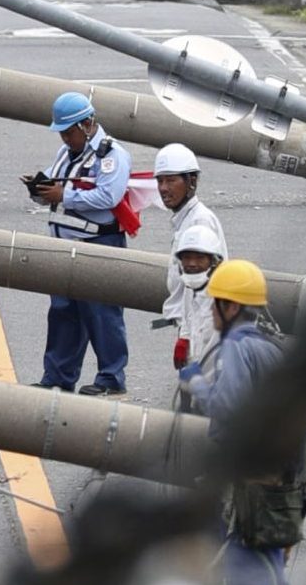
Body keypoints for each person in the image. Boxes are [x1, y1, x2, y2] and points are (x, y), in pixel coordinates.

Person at [180, 260, 301, 585]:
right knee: (272, 577)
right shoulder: (271, 347)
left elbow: (229, 407)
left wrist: (197, 383)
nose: (212, 311)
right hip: (282, 482)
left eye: (215, 302)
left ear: (231, 307)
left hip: (250, 485)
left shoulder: (235, 347)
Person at [28, 91, 133, 396]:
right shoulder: (66, 154)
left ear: (87, 124)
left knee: (102, 313)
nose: (65, 138)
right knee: (63, 312)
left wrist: (64, 196)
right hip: (65, 245)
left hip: (99, 243)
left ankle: (111, 379)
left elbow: (108, 196)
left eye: (69, 132)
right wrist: (38, 187)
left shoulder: (111, 155)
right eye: (61, 133)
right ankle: (58, 377)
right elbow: (54, 179)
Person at [154, 143, 228, 353]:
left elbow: (201, 286)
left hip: (204, 328)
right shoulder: (186, 219)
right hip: (196, 325)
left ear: (191, 181)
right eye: (160, 181)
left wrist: (186, 336)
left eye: (171, 180)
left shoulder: (199, 223)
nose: (163, 188)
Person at [169, 222, 227, 380]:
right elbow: (188, 316)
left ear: (214, 261)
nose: (192, 264)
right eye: (187, 258)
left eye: (200, 258)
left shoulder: (225, 300)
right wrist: (184, 338)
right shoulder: (192, 287)